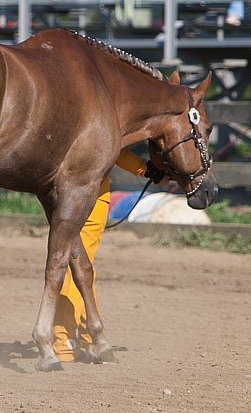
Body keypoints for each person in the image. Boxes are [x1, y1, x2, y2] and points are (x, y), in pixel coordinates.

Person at [52, 147, 167, 362]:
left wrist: (146, 169)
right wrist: (146, 169)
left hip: (65, 185)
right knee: (75, 261)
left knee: (80, 264)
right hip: (91, 189)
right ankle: (64, 340)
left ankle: (87, 335)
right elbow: (113, 145)